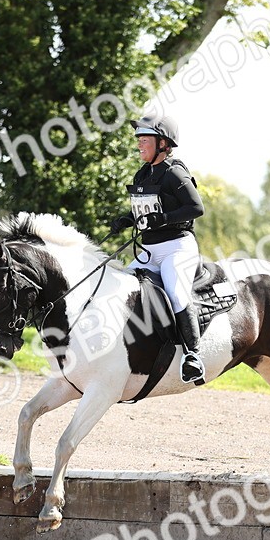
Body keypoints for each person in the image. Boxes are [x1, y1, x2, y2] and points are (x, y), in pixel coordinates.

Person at [110, 113, 206, 383]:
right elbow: (144, 209)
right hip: (149, 251)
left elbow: (196, 208)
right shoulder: (143, 173)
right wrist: (127, 218)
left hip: (177, 248)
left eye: (144, 139)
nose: (139, 144)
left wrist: (163, 219)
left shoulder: (174, 172)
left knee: (176, 294)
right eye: (138, 139)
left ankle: (193, 356)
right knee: (118, 288)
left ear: (163, 143)